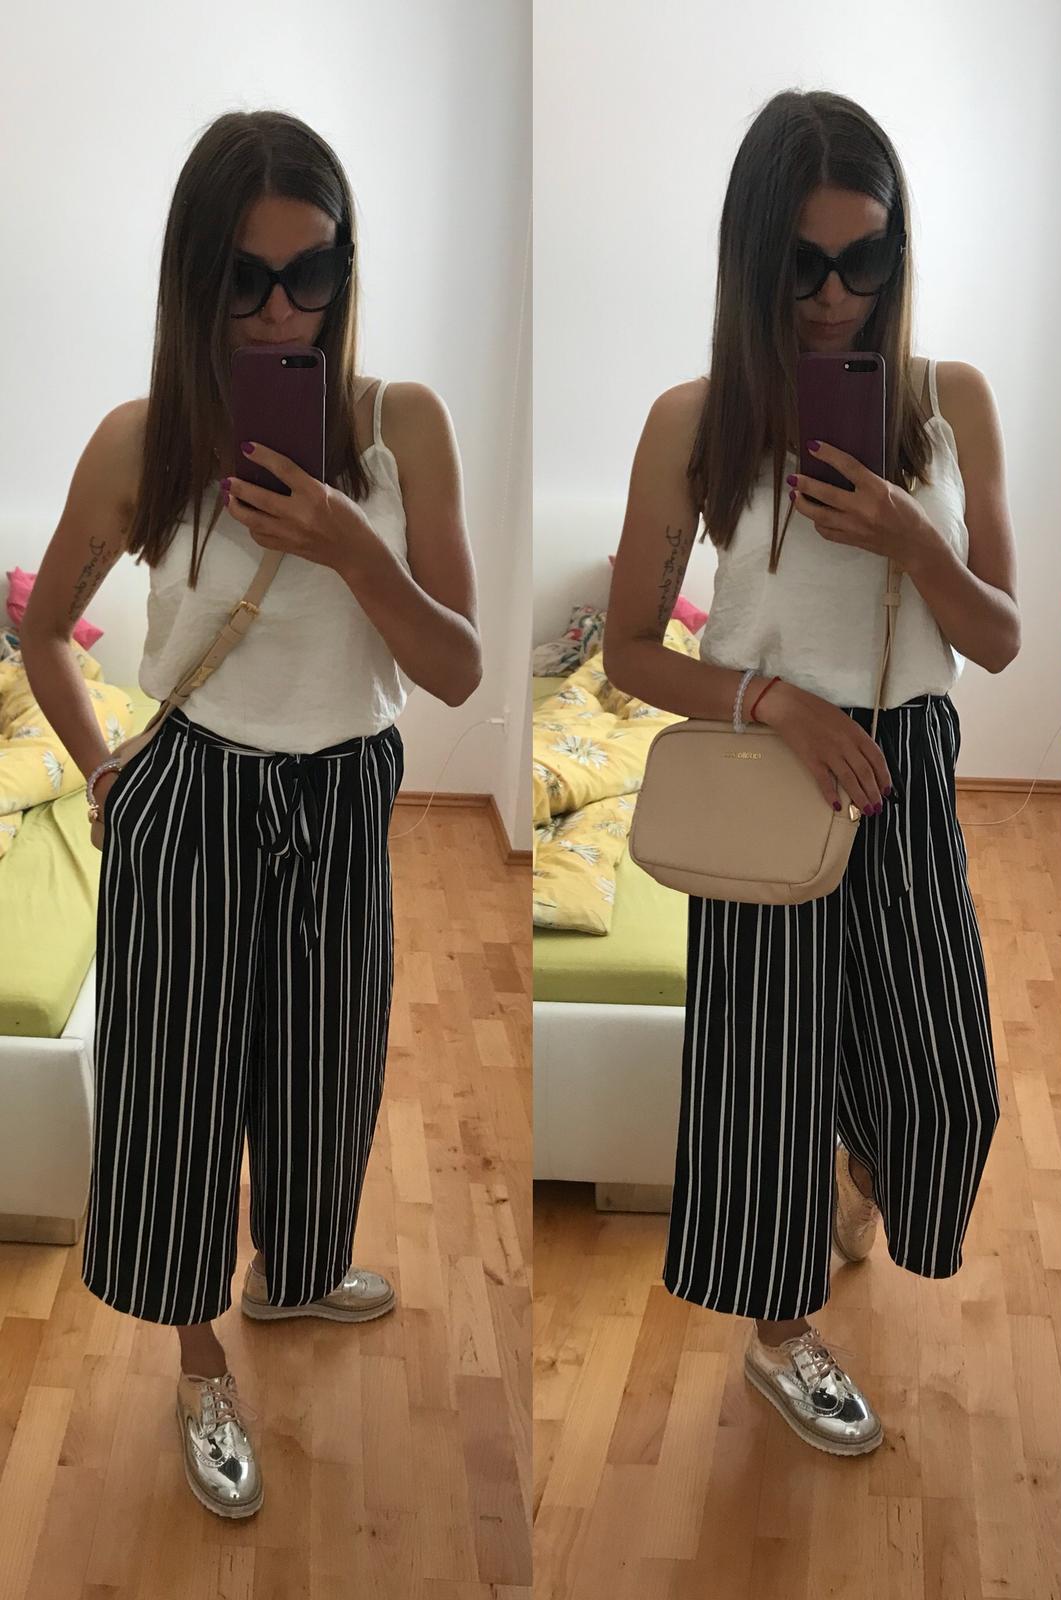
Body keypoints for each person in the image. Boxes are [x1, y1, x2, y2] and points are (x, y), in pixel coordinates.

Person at [21, 109, 482, 1518]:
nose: (285, 311)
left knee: (328, 1071)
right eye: (246, 279)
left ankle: (294, 1273)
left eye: (313, 273)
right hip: (196, 789)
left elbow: (457, 666)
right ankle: (197, 1360)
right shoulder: (144, 442)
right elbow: (41, 632)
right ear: (194, 281)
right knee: (174, 1093)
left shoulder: (398, 429)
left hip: (345, 795)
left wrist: (348, 543)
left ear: (347, 270)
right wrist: (106, 769)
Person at [604, 89, 1020, 1454]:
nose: (838, 294)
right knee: (761, 1077)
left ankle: (852, 1173)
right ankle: (779, 1336)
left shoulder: (948, 405)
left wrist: (912, 538)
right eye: (804, 263)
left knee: (953, 1080)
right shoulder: (696, 421)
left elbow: (1000, 638)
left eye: (867, 258)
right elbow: (626, 651)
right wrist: (774, 699)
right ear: (752, 259)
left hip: (908, 761)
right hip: (764, 763)